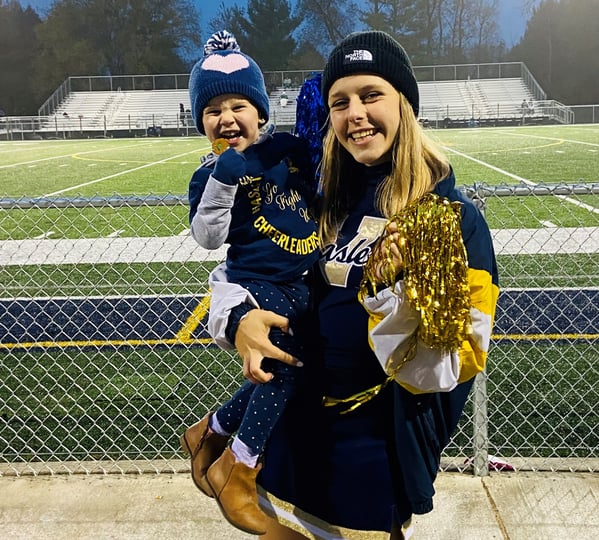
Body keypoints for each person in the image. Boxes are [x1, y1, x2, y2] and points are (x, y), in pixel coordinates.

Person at [207, 30, 500, 539]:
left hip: (372, 451)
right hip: (295, 435)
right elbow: (239, 273)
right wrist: (240, 320)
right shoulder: (326, 205)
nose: (354, 113)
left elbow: (451, 367)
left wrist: (387, 291)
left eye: (371, 95)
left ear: (404, 104)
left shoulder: (453, 221)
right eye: (340, 101)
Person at [179, 30, 320, 536]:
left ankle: (208, 430)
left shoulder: (286, 150)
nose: (227, 117)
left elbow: (318, 184)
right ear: (202, 122)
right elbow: (208, 238)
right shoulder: (209, 173)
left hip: (303, 280)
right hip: (254, 282)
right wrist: (223, 180)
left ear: (260, 113)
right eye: (213, 108)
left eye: (239, 104)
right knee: (285, 362)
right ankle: (238, 466)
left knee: (297, 369)